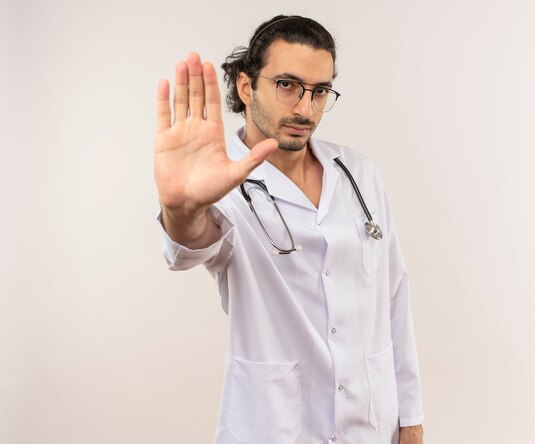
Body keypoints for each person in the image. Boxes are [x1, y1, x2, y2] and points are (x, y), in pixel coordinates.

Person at [153, 14, 425, 444]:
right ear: (246, 86)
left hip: (371, 426)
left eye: (319, 91)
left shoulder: (358, 172)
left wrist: (409, 417)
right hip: (273, 428)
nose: (305, 108)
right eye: (287, 85)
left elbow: (394, 295)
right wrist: (182, 207)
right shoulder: (223, 185)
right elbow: (190, 245)